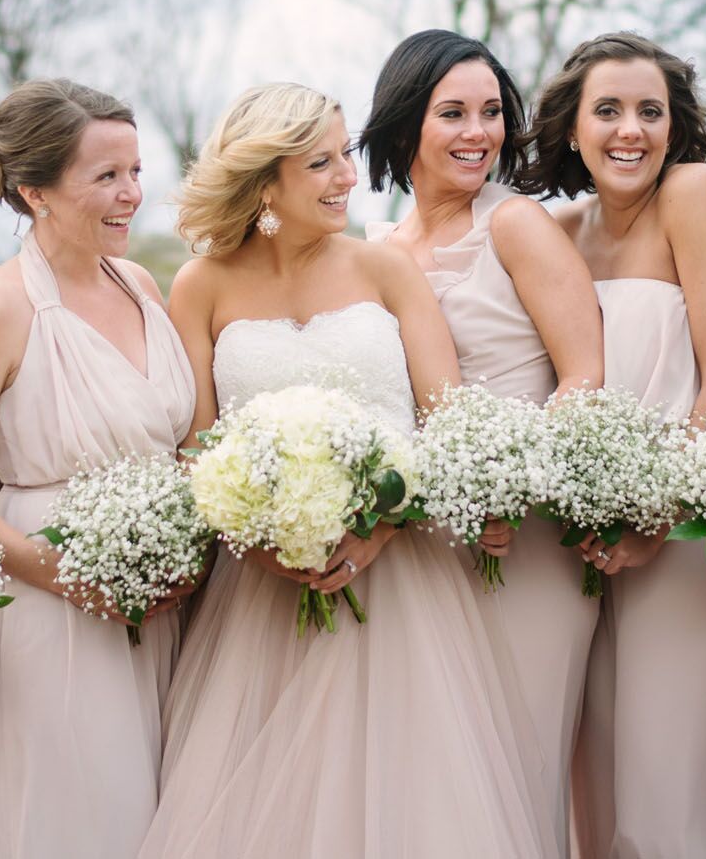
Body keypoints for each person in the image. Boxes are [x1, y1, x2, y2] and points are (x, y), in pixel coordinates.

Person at [139, 83, 553, 859]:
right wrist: (261, 541)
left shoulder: (386, 271)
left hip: (401, 582)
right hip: (258, 590)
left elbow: (447, 420)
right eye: (321, 163)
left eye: (344, 156)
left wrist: (380, 529)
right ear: (266, 181)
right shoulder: (200, 284)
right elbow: (198, 447)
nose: (346, 178)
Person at [0, 80, 195, 858]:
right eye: (105, 177)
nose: (131, 194)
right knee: (83, 820)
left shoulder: (137, 283)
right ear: (35, 191)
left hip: (163, 600)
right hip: (53, 601)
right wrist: (63, 573)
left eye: (135, 171)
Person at [357, 28, 602, 852]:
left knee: (521, 764)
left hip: (525, 540)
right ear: (403, 130)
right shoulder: (379, 251)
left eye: (492, 112)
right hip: (425, 549)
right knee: (438, 783)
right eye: (453, 112)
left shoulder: (517, 225)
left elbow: (583, 374)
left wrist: (507, 485)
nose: (479, 132)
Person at [522, 33, 706, 859]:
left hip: (681, 534)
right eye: (609, 110)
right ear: (574, 128)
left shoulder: (691, 195)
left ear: (676, 125)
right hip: (577, 538)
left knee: (668, 791)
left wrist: (662, 515)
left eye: (650, 111)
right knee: (597, 782)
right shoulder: (556, 228)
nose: (631, 130)